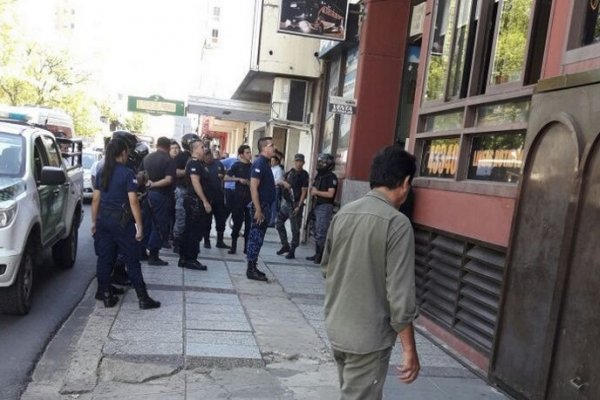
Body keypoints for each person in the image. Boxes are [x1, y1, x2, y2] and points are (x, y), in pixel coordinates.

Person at [322, 145, 420, 399]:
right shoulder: (397, 224)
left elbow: (327, 268)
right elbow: (400, 296)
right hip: (368, 338)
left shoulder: (343, 213)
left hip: (338, 327)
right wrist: (409, 350)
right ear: (406, 182)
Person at [91, 138, 160, 310]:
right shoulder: (128, 173)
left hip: (103, 221)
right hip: (122, 222)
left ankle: (105, 294)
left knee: (105, 259)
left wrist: (93, 221)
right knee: (132, 260)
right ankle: (143, 298)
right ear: (123, 152)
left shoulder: (102, 171)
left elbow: (95, 199)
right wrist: (139, 225)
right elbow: (133, 201)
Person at [139, 136, 176, 266]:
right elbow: (169, 180)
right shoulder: (169, 160)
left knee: (146, 223)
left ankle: (142, 252)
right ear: (168, 147)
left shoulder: (147, 158)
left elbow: (140, 176)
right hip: (161, 196)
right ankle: (154, 255)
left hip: (146, 195)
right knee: (159, 224)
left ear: (156, 145)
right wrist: (154, 184)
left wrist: (148, 184)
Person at [246, 137, 276, 282]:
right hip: (261, 206)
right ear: (264, 148)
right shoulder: (259, 163)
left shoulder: (266, 163)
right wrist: (258, 209)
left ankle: (254, 265)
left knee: (259, 238)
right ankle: (251, 269)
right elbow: (253, 186)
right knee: (255, 237)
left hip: (265, 206)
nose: (274, 148)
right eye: (271, 145)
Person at [179, 140, 212, 270]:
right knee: (194, 232)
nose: (204, 149)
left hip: (195, 201)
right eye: (202, 147)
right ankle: (191, 259)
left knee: (190, 231)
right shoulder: (193, 164)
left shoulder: (200, 164)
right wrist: (204, 201)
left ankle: (184, 258)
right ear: (195, 150)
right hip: (195, 202)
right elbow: (195, 183)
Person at [275, 153, 309, 259]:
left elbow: (304, 191)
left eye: (300, 161)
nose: (298, 163)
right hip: (286, 203)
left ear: (303, 162)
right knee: (278, 223)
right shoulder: (290, 172)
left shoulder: (304, 175)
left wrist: (299, 206)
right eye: (296, 161)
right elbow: (280, 181)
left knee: (295, 229)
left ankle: (292, 249)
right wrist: (283, 183)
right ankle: (285, 245)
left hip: (296, 204)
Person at [306, 153, 338, 264]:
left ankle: (321, 257)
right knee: (315, 230)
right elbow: (314, 187)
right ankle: (317, 253)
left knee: (321, 232)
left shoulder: (331, 177)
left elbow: (330, 194)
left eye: (323, 162)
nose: (320, 164)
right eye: (320, 162)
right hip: (317, 205)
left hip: (325, 206)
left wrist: (316, 192)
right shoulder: (320, 175)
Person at [172, 133, 200, 254]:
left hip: (193, 193)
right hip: (182, 190)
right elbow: (175, 172)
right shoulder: (182, 156)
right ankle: (177, 242)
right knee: (181, 218)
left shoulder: (197, 158)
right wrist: (188, 171)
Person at [224, 145, 252, 255]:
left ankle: (246, 248)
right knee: (237, 223)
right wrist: (238, 179)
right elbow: (226, 178)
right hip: (238, 198)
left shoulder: (253, 166)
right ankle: (233, 247)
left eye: (250, 152)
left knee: (249, 225)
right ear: (241, 154)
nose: (250, 154)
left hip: (250, 199)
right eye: (247, 152)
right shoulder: (236, 165)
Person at [202, 150, 230, 249]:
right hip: (207, 196)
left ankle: (220, 240)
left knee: (221, 219)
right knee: (207, 220)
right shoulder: (201, 165)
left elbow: (224, 175)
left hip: (219, 196)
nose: (208, 158)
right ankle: (206, 240)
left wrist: (222, 177)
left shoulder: (218, 164)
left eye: (209, 156)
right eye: (206, 156)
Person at [269, 153, 285, 226]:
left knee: (274, 206)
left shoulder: (278, 169)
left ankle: (273, 221)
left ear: (277, 162)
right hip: (270, 188)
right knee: (270, 205)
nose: (271, 162)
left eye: (273, 161)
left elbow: (279, 181)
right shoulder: (271, 168)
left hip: (275, 189)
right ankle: (270, 220)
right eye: (271, 161)